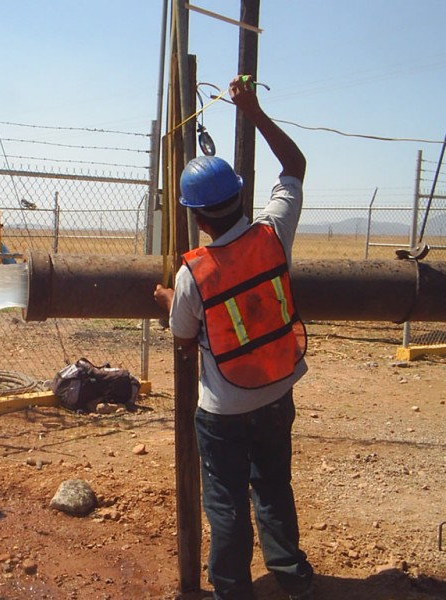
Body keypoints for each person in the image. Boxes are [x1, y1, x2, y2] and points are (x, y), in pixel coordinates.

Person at [154, 74, 314, 600]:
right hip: (277, 390)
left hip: (223, 412)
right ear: (241, 197)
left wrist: (166, 305)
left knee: (225, 503)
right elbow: (294, 167)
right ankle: (291, 578)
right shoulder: (273, 233)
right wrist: (254, 113)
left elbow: (183, 337)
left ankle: (230, 590)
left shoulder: (191, 275)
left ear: (196, 217)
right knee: (272, 486)